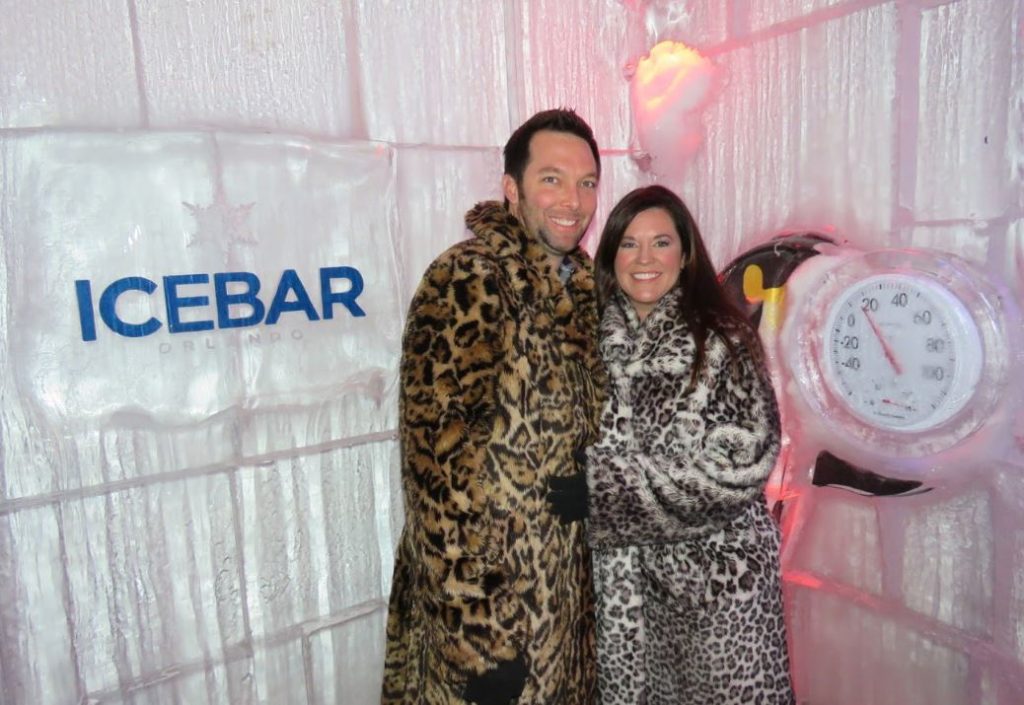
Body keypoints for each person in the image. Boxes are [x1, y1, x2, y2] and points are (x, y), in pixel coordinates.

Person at [381, 109, 607, 705]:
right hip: (495, 621)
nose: (573, 200)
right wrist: (479, 639)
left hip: (565, 614)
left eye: (587, 182)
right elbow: (435, 473)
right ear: (512, 189)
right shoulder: (470, 279)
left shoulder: (581, 286)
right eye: (552, 179)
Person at [571, 185, 795, 704]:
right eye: (629, 244)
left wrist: (604, 491)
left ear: (686, 253)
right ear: (610, 257)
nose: (645, 259)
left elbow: (742, 463)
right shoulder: (590, 345)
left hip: (717, 594)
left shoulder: (722, 338)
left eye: (661, 242)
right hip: (625, 597)